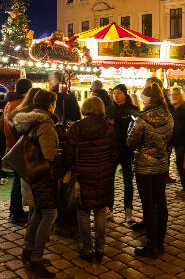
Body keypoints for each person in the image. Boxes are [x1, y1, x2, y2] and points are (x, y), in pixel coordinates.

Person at [11, 90, 60, 278]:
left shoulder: (29, 121)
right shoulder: (45, 124)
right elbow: (49, 155)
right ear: (50, 105)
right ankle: (36, 258)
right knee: (50, 213)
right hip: (42, 176)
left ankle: (28, 250)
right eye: (54, 103)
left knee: (38, 213)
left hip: (30, 172)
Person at [63, 96, 116, 263]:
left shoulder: (77, 128)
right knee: (100, 209)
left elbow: (68, 154)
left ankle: (87, 248)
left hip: (82, 175)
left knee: (83, 210)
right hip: (103, 174)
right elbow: (115, 153)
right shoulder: (109, 129)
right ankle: (100, 248)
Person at [127, 83, 174, 258]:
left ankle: (151, 244)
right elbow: (168, 139)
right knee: (161, 202)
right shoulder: (168, 116)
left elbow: (131, 142)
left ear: (146, 99)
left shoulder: (142, 118)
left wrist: (130, 128)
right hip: (161, 164)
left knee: (148, 204)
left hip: (144, 167)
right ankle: (160, 243)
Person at [1, 79, 33, 225]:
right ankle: (16, 212)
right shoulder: (22, 105)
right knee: (19, 182)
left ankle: (16, 211)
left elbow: (1, 123)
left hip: (11, 145)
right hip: (20, 147)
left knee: (17, 180)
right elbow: (23, 128)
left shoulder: (9, 103)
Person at [106, 84, 139, 223]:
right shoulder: (109, 109)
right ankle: (109, 209)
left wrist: (117, 122)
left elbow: (135, 125)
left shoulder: (132, 109)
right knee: (109, 181)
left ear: (125, 94)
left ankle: (128, 210)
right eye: (114, 93)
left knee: (128, 181)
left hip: (126, 150)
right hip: (111, 149)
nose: (116, 96)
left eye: (118, 93)